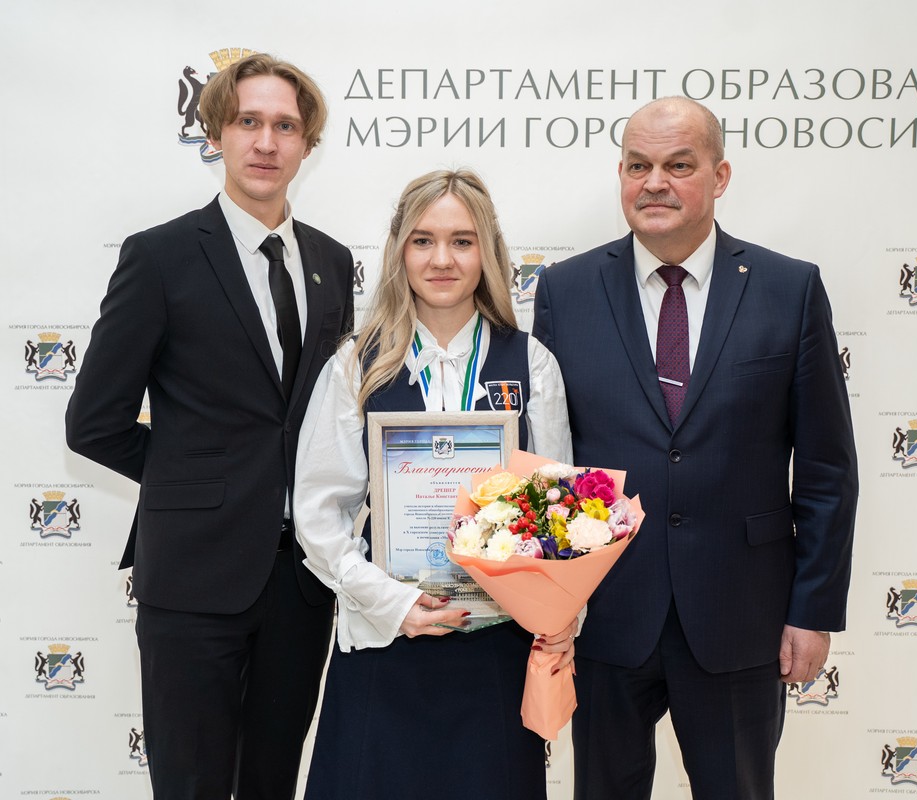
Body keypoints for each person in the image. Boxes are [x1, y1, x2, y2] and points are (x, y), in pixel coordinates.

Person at [532, 97, 858, 799]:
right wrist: (549, 605)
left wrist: (812, 610)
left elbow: (827, 470)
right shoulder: (565, 290)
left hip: (742, 615)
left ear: (720, 175)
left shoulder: (789, 289)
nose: (655, 183)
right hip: (607, 614)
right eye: (637, 166)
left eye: (679, 165)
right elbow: (548, 459)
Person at [65, 53, 354, 800]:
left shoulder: (330, 262)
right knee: (190, 784)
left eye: (285, 126)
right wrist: (201, 481)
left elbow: (326, 416)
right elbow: (93, 423)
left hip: (302, 580)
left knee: (272, 782)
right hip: (193, 577)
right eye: (248, 122)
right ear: (216, 134)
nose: (266, 142)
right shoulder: (159, 256)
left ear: (307, 145)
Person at [293, 169, 573, 800]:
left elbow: (558, 512)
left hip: (497, 644)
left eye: (462, 241)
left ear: (488, 252)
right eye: (423, 240)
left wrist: (557, 612)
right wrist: (390, 603)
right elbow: (317, 512)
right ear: (399, 250)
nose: (441, 259)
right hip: (385, 639)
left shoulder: (531, 363)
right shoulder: (355, 363)